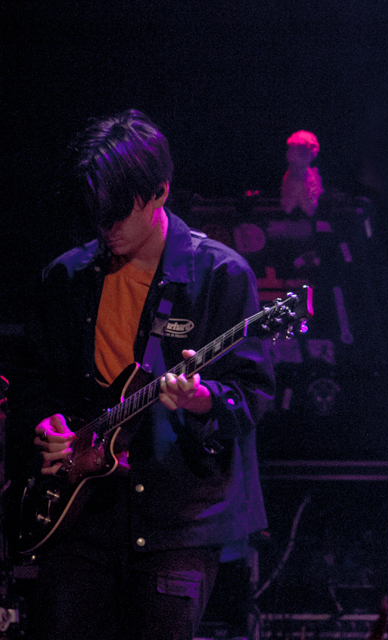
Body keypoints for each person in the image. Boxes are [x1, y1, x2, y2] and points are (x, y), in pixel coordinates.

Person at [28, 109, 275, 639]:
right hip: (81, 516)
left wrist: (201, 399)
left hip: (178, 522)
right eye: (98, 214)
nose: (106, 227)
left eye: (120, 212)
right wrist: (44, 426)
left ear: (161, 192)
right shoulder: (67, 276)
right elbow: (36, 384)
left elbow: (252, 395)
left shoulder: (221, 274)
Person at [281, 129, 323, 216]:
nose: (290, 153)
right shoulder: (288, 177)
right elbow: (287, 208)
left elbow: (309, 210)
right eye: (291, 149)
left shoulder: (310, 179)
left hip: (305, 222)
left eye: (298, 151)